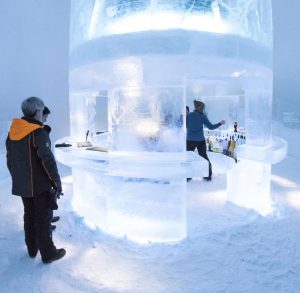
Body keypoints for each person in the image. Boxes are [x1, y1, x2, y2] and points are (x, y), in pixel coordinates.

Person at [6, 97, 66, 263]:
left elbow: (9, 160)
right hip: (40, 185)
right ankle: (48, 254)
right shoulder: (38, 132)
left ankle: (32, 249)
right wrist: (57, 182)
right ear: (38, 111)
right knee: (43, 219)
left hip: (24, 185)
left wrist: (19, 179)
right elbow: (48, 161)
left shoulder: (14, 131)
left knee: (29, 216)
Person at [186, 100, 225, 181]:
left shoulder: (188, 116)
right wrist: (220, 123)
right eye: (203, 107)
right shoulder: (202, 116)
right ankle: (207, 175)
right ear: (200, 107)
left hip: (190, 140)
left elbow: (184, 125)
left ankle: (187, 176)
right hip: (200, 140)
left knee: (188, 158)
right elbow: (211, 127)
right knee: (204, 157)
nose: (203, 109)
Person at [42, 106, 60, 229]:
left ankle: (48, 219)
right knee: (44, 199)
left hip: (44, 172)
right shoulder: (38, 132)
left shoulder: (42, 130)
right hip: (42, 172)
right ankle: (45, 224)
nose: (46, 119)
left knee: (48, 197)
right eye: (45, 116)